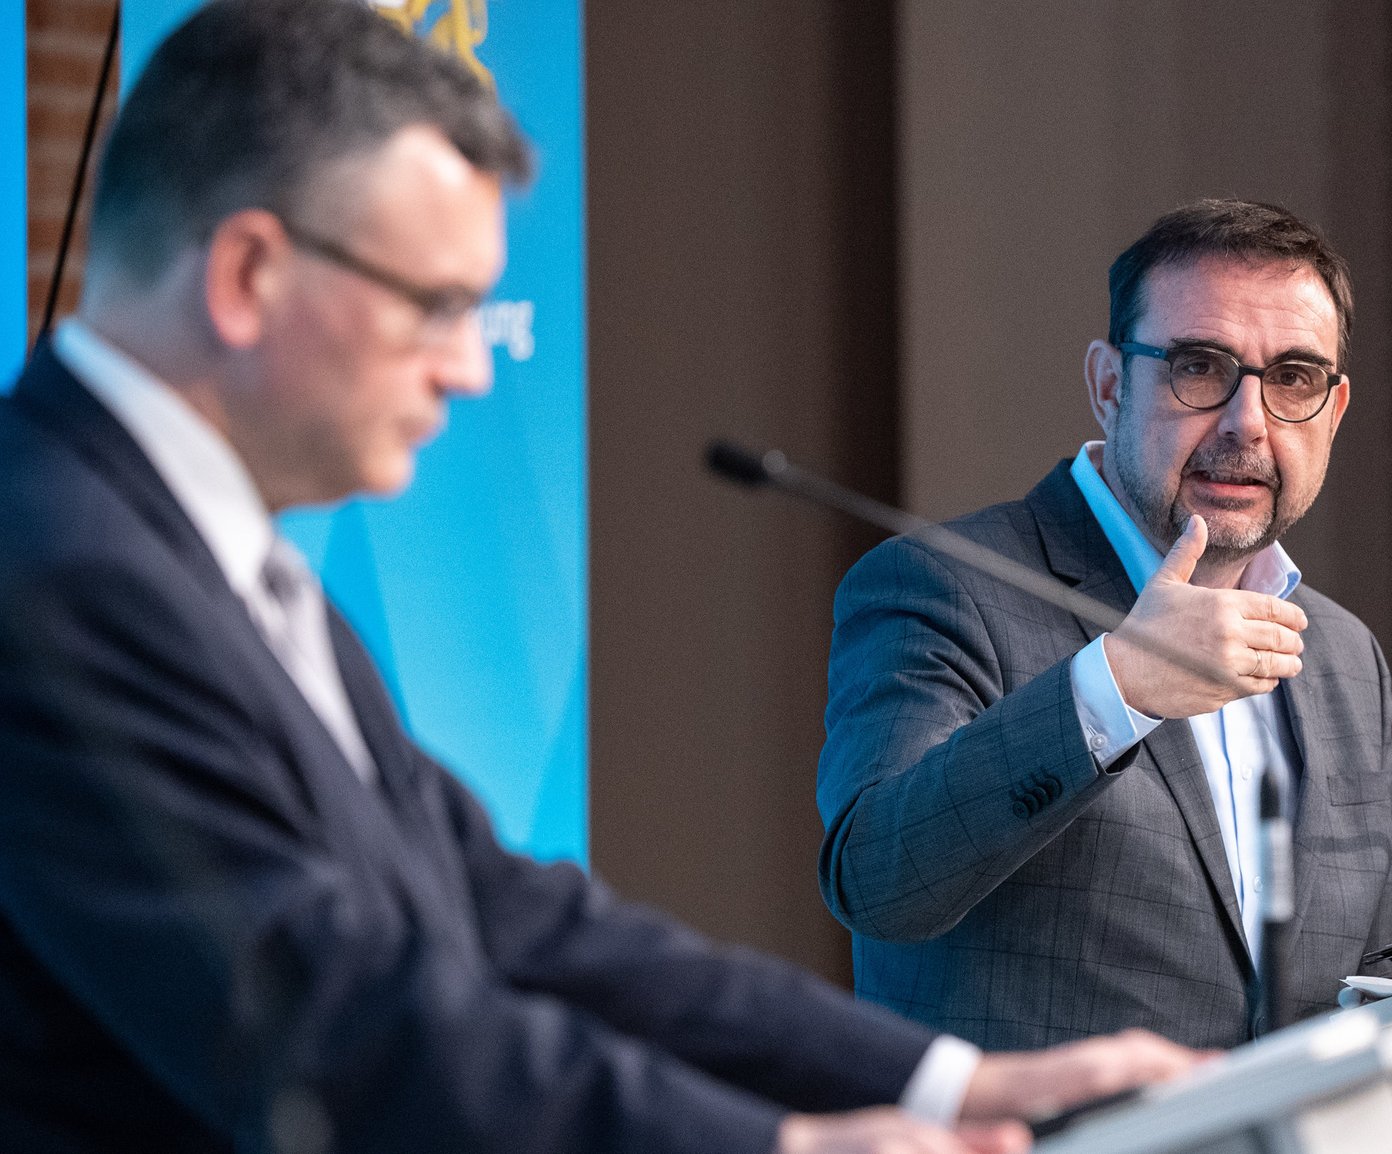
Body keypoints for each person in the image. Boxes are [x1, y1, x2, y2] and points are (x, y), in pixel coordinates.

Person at [0, 3, 1198, 1152]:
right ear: (249, 273)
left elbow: (498, 914)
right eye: (438, 306)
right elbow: (334, 1026)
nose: (472, 369)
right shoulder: (54, 569)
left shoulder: (200, 553)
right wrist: (768, 1144)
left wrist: (948, 1080)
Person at [818, 199, 1392, 1051]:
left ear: (1334, 410)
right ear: (1108, 385)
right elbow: (877, 880)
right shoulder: (943, 587)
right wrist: (1115, 687)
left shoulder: (1344, 655)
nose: (1247, 421)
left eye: (1293, 379)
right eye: (1201, 367)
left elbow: (1373, 996)